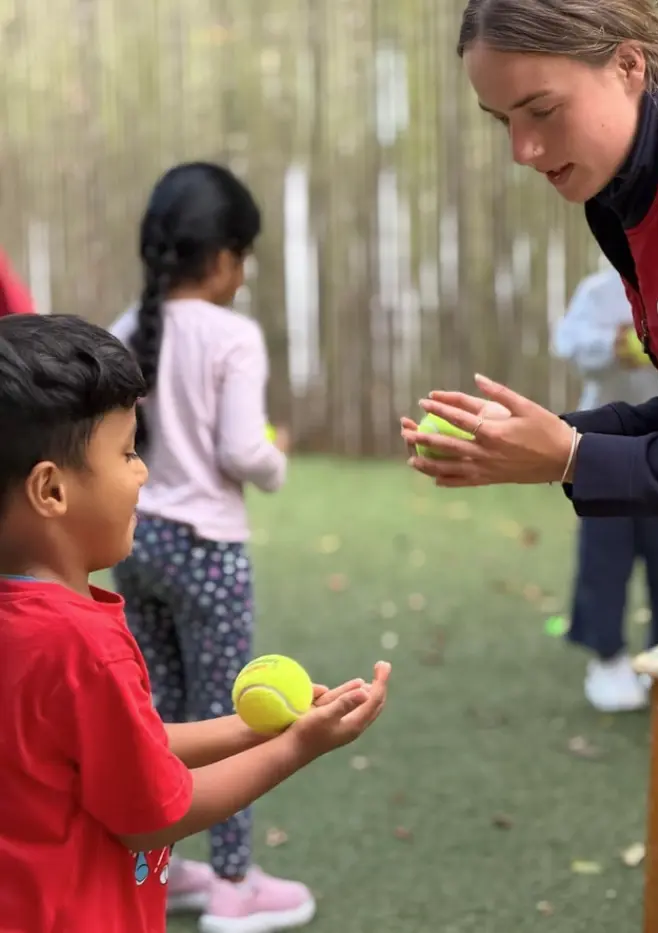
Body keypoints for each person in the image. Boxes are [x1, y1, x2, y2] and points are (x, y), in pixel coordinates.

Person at [0, 312, 390, 933]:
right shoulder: (81, 644)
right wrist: (298, 747)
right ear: (51, 491)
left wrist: (255, 728)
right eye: (128, 452)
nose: (142, 472)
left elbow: (119, 746)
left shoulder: (26, 623)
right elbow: (154, 816)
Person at [108, 161, 315, 933]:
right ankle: (232, 881)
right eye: (246, 255)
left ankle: (156, 870)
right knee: (234, 712)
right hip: (208, 550)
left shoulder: (126, 329)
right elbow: (240, 449)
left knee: (156, 713)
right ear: (226, 257)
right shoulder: (233, 336)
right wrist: (276, 456)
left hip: (137, 543)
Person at [400, 0, 658, 522]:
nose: (521, 151)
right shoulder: (619, 196)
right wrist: (542, 439)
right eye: (503, 120)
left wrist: (574, 456)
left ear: (628, 64)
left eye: (541, 111)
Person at [553, 264, 658, 711]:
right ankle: (608, 659)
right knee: (604, 558)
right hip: (608, 442)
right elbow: (567, 343)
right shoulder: (599, 290)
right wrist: (613, 346)